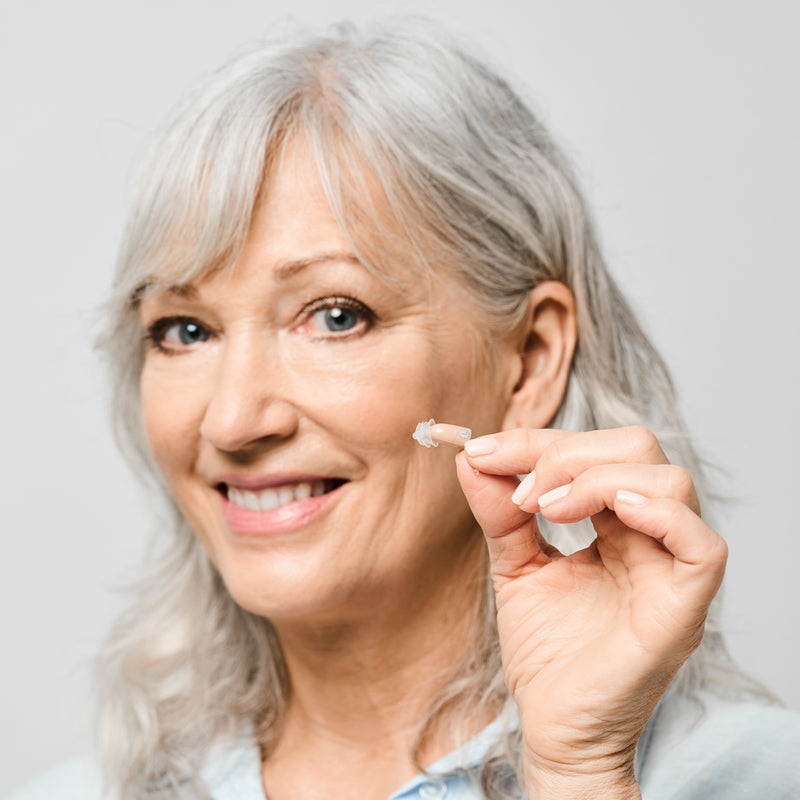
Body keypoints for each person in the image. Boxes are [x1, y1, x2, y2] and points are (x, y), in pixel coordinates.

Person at [10, 19, 800, 800]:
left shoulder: (755, 779)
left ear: (528, 359)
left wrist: (579, 775)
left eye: (336, 315)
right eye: (185, 330)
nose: (233, 421)